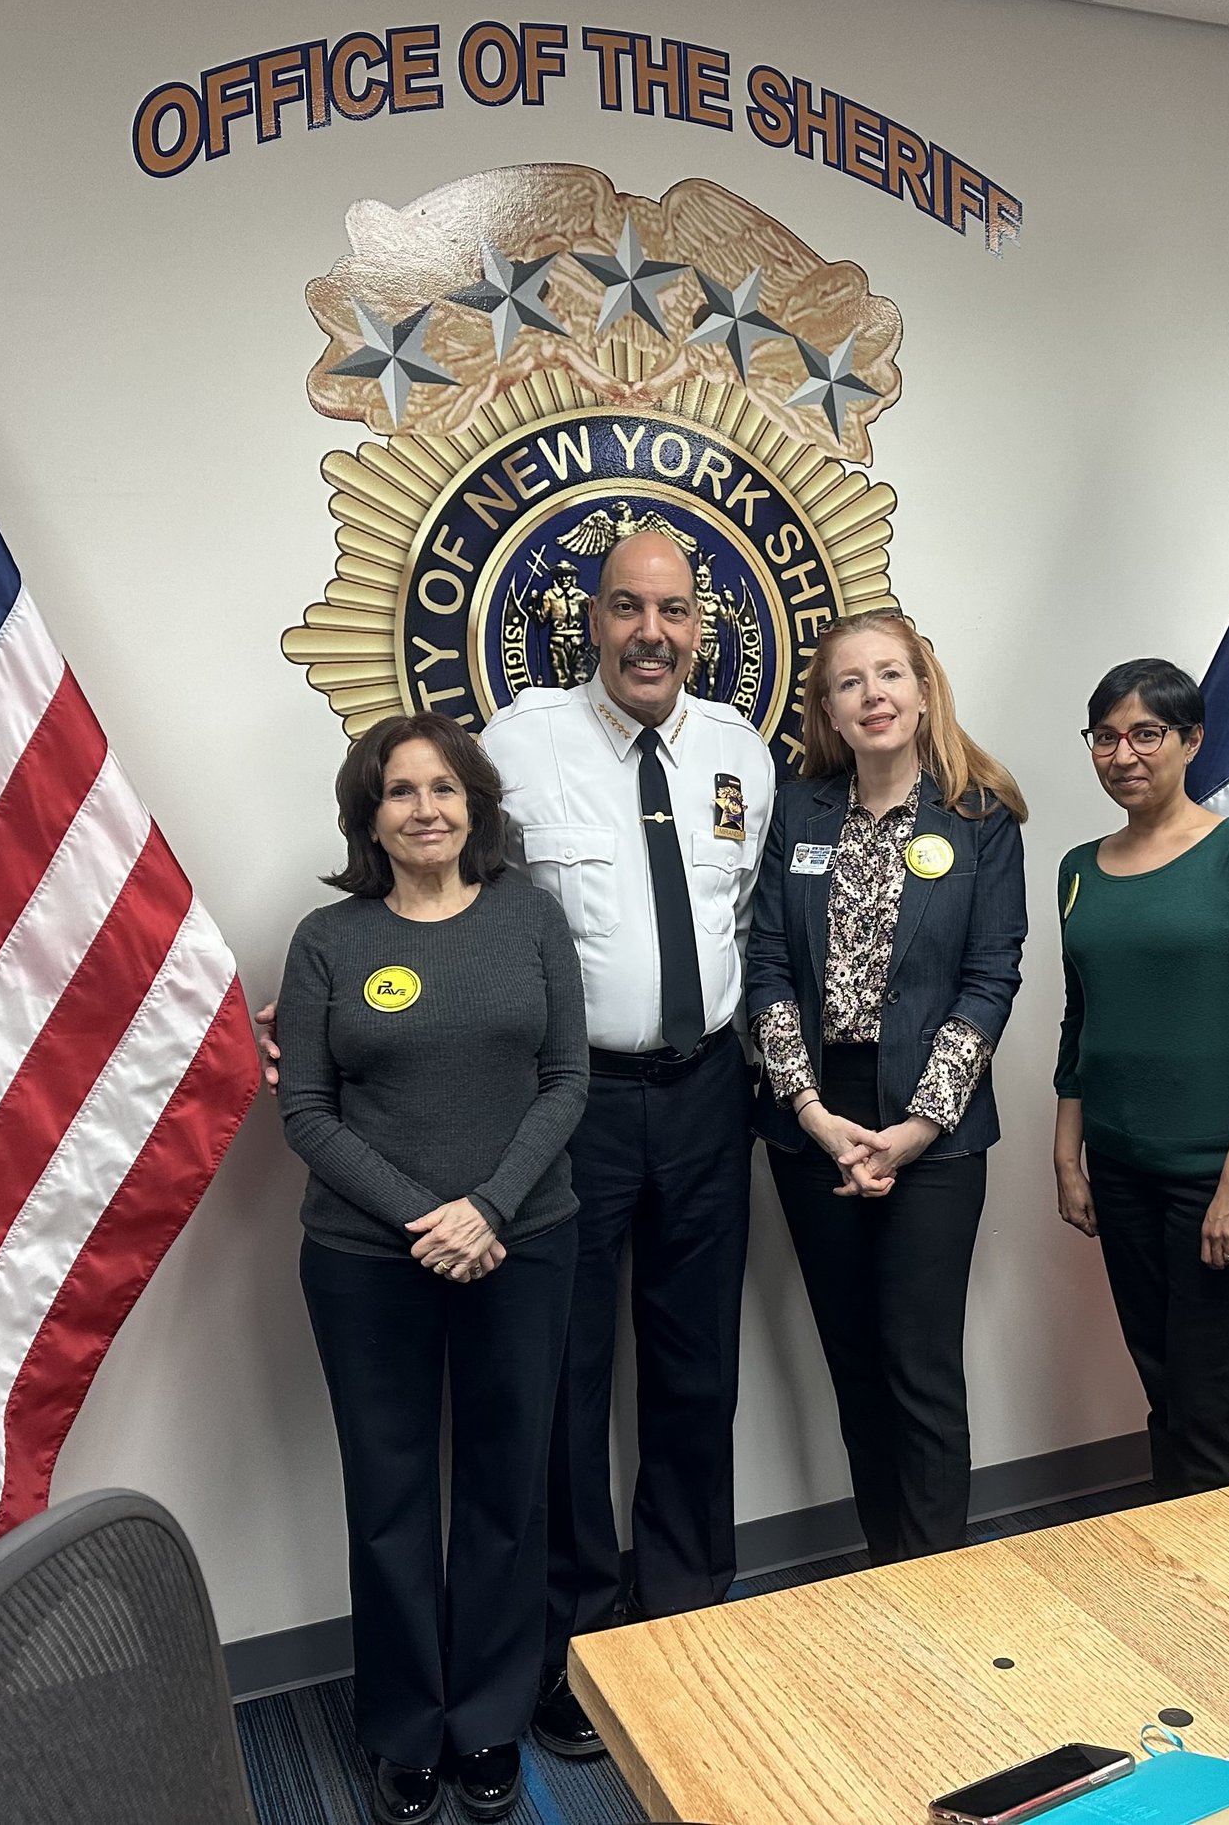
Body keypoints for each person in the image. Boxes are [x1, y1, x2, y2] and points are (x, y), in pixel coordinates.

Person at [479, 526, 775, 1756]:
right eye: (625, 609)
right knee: (564, 1379)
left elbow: (751, 923)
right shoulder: (516, 746)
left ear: (701, 626)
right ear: (589, 620)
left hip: (711, 1092)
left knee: (697, 1368)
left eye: (673, 612)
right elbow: (453, 902)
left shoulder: (739, 755)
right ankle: (575, 1648)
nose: (651, 633)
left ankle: (686, 1613)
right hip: (572, 1108)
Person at [278, 713, 587, 1824]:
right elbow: (305, 1110)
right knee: (391, 1493)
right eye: (400, 791)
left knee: (509, 1492)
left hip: (526, 1241)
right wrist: (426, 1218)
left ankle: (489, 1721)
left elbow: (565, 1082)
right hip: (368, 1262)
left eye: (445, 789)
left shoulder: (532, 920)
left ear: (477, 805)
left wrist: (489, 1207)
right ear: (368, 815)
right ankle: (407, 1728)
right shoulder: (327, 938)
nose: (424, 809)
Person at [745, 614, 1027, 1563]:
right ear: (826, 708)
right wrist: (811, 1111)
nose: (873, 695)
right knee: (854, 1364)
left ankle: (938, 1585)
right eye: (850, 682)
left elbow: (992, 979)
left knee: (920, 1365)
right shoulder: (800, 812)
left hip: (933, 1129)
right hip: (813, 1120)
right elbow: (769, 965)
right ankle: (882, 1578)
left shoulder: (980, 818)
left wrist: (916, 1126)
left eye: (890, 675)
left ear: (922, 689)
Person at [1052, 658, 1229, 1498]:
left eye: (1146, 733)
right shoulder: (1077, 869)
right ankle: (1177, 1574)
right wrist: (1068, 1155)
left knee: (1210, 1403)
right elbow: (1079, 1019)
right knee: (1165, 1386)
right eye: (1106, 736)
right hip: (1125, 1173)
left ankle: (1227, 1606)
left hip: (1225, 1177)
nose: (1124, 753)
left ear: (1190, 740)